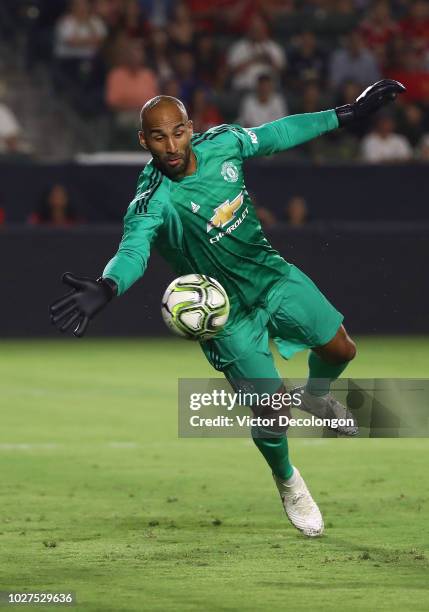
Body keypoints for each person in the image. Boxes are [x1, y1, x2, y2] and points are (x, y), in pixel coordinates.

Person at [50, 79, 405, 538]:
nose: (171, 145)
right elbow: (133, 250)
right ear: (144, 141)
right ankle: (288, 481)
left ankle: (316, 396)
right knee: (274, 412)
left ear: (190, 129)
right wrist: (108, 284)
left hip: (271, 275)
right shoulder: (152, 200)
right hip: (226, 316)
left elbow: (278, 134)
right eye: (158, 137)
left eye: (178, 132)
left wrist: (343, 115)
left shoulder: (225, 144)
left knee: (342, 350)